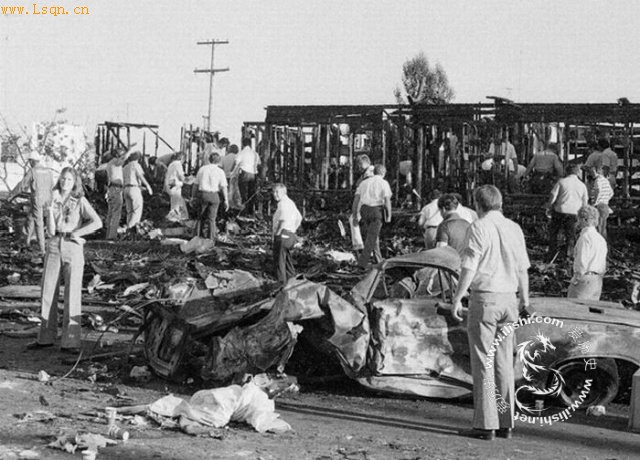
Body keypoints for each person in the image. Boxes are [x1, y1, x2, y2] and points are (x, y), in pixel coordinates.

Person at [451, 185, 530, 441]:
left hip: (485, 298)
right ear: (500, 203)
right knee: (504, 361)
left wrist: (458, 297)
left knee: (483, 361)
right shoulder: (514, 228)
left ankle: (486, 424)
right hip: (510, 299)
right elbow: (522, 269)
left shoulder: (478, 227)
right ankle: (506, 422)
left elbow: (470, 265)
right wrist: (525, 300)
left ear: (477, 204)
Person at [28, 167, 102, 353]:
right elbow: (50, 229)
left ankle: (70, 341)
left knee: (73, 292)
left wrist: (78, 233)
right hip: (54, 243)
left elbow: (97, 222)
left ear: (74, 182)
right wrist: (50, 208)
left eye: (69, 179)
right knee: (47, 290)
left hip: (73, 246)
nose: (65, 182)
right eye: (63, 179)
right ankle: (45, 337)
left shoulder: (80, 201)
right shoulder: (53, 198)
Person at [10, 151, 54, 255]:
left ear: (32, 161)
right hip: (48, 200)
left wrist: (11, 196)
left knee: (39, 224)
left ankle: (42, 250)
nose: (29, 163)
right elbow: (52, 186)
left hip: (37, 200)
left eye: (29, 161)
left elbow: (22, 185)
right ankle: (24, 242)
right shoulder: (48, 171)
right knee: (30, 219)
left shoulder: (33, 171)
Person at [545, 164, 588, 260]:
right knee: (571, 235)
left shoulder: (561, 182)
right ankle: (568, 255)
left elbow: (553, 196)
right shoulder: (582, 185)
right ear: (577, 173)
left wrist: (549, 207)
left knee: (554, 233)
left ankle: (552, 253)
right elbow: (585, 202)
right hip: (574, 212)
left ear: (567, 172)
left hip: (560, 210)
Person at [353, 164, 392, 268]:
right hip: (376, 211)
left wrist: (355, 215)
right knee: (372, 237)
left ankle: (378, 259)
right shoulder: (384, 183)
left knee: (372, 236)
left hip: (364, 210)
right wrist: (389, 215)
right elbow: (387, 201)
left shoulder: (363, 183)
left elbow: (356, 201)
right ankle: (362, 263)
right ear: (383, 173)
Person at [568, 205, 607, 300]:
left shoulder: (584, 238)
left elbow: (582, 261)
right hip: (597, 279)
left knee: (574, 307)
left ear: (584, 220)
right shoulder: (601, 239)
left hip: (584, 278)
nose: (578, 222)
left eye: (579, 219)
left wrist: (576, 279)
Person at [195, 152, 229, 241]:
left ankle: (197, 237)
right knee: (212, 219)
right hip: (214, 195)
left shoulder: (202, 169)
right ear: (219, 161)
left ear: (209, 159)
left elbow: (195, 184)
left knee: (200, 217)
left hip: (203, 194)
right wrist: (226, 200)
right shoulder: (220, 171)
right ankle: (211, 239)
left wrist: (193, 196)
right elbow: (224, 187)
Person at [272, 183, 302, 283]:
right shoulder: (290, 203)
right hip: (290, 236)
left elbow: (283, 219)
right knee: (287, 261)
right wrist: (293, 229)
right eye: (273, 192)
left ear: (284, 192)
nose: (275, 194)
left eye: (277, 192)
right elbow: (299, 218)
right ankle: (293, 282)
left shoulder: (283, 204)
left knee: (279, 262)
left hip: (283, 235)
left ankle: (281, 285)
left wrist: (277, 233)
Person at [122, 151, 153, 231]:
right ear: (138, 158)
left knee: (129, 211)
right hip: (134, 188)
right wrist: (148, 186)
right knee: (137, 210)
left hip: (126, 188)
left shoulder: (125, 167)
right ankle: (131, 229)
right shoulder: (136, 165)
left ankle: (128, 227)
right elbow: (140, 176)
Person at [585, 161, 614, 239]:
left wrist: (595, 202)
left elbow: (598, 191)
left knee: (598, 227)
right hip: (605, 205)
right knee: (603, 228)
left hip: (599, 206)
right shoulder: (605, 180)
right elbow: (611, 193)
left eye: (591, 170)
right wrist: (605, 199)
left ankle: (599, 243)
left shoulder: (597, 180)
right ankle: (604, 244)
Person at [233, 138, 261, 214]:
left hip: (244, 172)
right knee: (251, 193)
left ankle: (244, 210)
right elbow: (259, 164)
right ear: (250, 144)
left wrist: (233, 171)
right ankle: (251, 210)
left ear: (243, 144)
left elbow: (236, 162)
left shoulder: (241, 153)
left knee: (243, 192)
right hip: (253, 174)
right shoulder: (255, 153)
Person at [105, 148, 126, 239]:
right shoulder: (115, 162)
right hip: (116, 189)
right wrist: (129, 150)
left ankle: (108, 234)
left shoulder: (110, 163)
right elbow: (123, 160)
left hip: (111, 189)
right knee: (116, 213)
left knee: (111, 212)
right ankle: (112, 236)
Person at [164, 151, 188, 221]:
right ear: (182, 158)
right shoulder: (178, 164)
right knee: (175, 206)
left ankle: (177, 218)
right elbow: (181, 177)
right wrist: (188, 180)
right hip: (175, 186)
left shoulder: (171, 164)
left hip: (170, 185)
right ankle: (173, 220)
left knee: (177, 203)